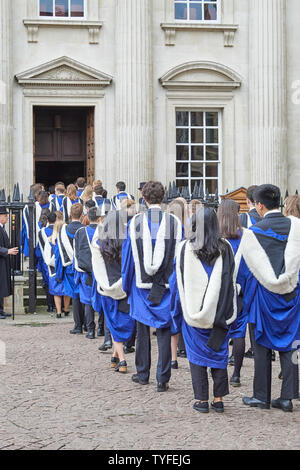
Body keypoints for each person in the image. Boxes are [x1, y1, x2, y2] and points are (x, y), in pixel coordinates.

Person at [169, 207, 238, 413]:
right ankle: (218, 399)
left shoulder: (184, 248)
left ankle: (201, 400)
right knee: (218, 353)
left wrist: (176, 308)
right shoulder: (226, 248)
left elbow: (176, 281)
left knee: (196, 355)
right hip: (219, 312)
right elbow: (231, 279)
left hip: (193, 313)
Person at [239, 184, 300, 412]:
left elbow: (245, 272)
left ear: (260, 205)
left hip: (263, 297)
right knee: (290, 344)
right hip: (292, 296)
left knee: (262, 346)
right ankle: (287, 396)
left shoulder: (253, 233)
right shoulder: (297, 228)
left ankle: (262, 396)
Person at [122, 181, 183, 392]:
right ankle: (162, 378)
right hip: (166, 286)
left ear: (145, 199)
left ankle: (142, 373)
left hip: (141, 286)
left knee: (142, 330)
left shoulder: (136, 222)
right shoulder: (175, 223)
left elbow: (128, 257)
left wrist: (127, 282)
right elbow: (179, 258)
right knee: (164, 331)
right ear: (163, 197)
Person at [92, 210, 135, 374]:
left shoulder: (100, 243)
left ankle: (122, 359)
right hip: (124, 286)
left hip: (107, 286)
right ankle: (114, 357)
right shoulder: (127, 241)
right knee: (122, 321)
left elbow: (97, 266)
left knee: (113, 323)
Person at [217, 199, 244, 387]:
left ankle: (221, 368)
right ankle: (236, 375)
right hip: (240, 289)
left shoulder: (216, 236)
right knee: (239, 332)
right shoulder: (244, 235)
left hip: (219, 290)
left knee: (221, 328)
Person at [56, 203, 85, 332]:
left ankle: (78, 325)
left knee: (75, 295)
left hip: (69, 267)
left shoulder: (63, 230)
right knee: (84, 295)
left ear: (70, 214)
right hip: (84, 266)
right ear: (82, 214)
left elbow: (59, 251)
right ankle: (87, 325)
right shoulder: (85, 229)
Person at [74, 207, 101, 339]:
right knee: (102, 299)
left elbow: (76, 253)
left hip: (85, 272)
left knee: (87, 302)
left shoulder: (81, 232)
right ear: (100, 218)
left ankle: (91, 331)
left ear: (88, 218)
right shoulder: (104, 231)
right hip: (101, 272)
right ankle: (102, 329)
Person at [0, 207, 19, 319]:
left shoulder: (2, 228)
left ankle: (1, 310)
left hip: (3, 262)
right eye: (5, 215)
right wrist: (7, 251)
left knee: (2, 286)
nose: (7, 217)